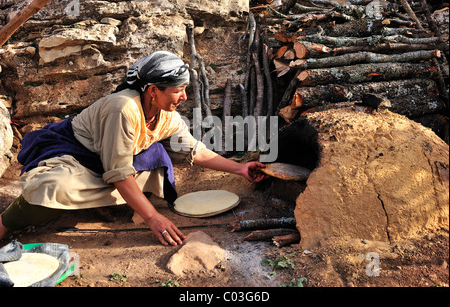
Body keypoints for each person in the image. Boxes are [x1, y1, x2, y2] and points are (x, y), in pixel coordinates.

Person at [0, 51, 267, 246]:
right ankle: (5, 222)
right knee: (51, 188)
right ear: (153, 90)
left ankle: (93, 203)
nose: (184, 97)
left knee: (157, 164)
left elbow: (195, 150)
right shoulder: (123, 108)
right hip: (75, 156)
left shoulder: (167, 115)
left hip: (109, 163)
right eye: (178, 90)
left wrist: (240, 168)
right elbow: (117, 172)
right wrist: (152, 217)